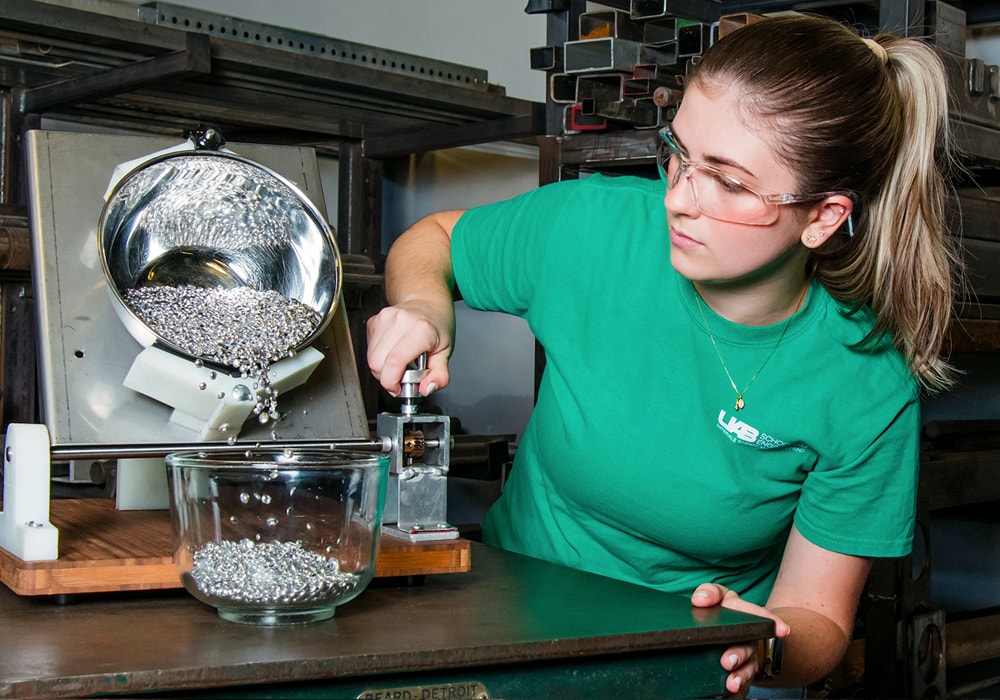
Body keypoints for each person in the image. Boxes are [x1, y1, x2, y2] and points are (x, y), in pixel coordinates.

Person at [366, 13, 961, 696]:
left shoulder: (862, 379)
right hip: (507, 618)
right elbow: (438, 240)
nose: (678, 199)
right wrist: (423, 307)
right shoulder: (597, 228)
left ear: (823, 216)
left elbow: (818, 619)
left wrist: (761, 645)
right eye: (678, 152)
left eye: (729, 183)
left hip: (685, 664)